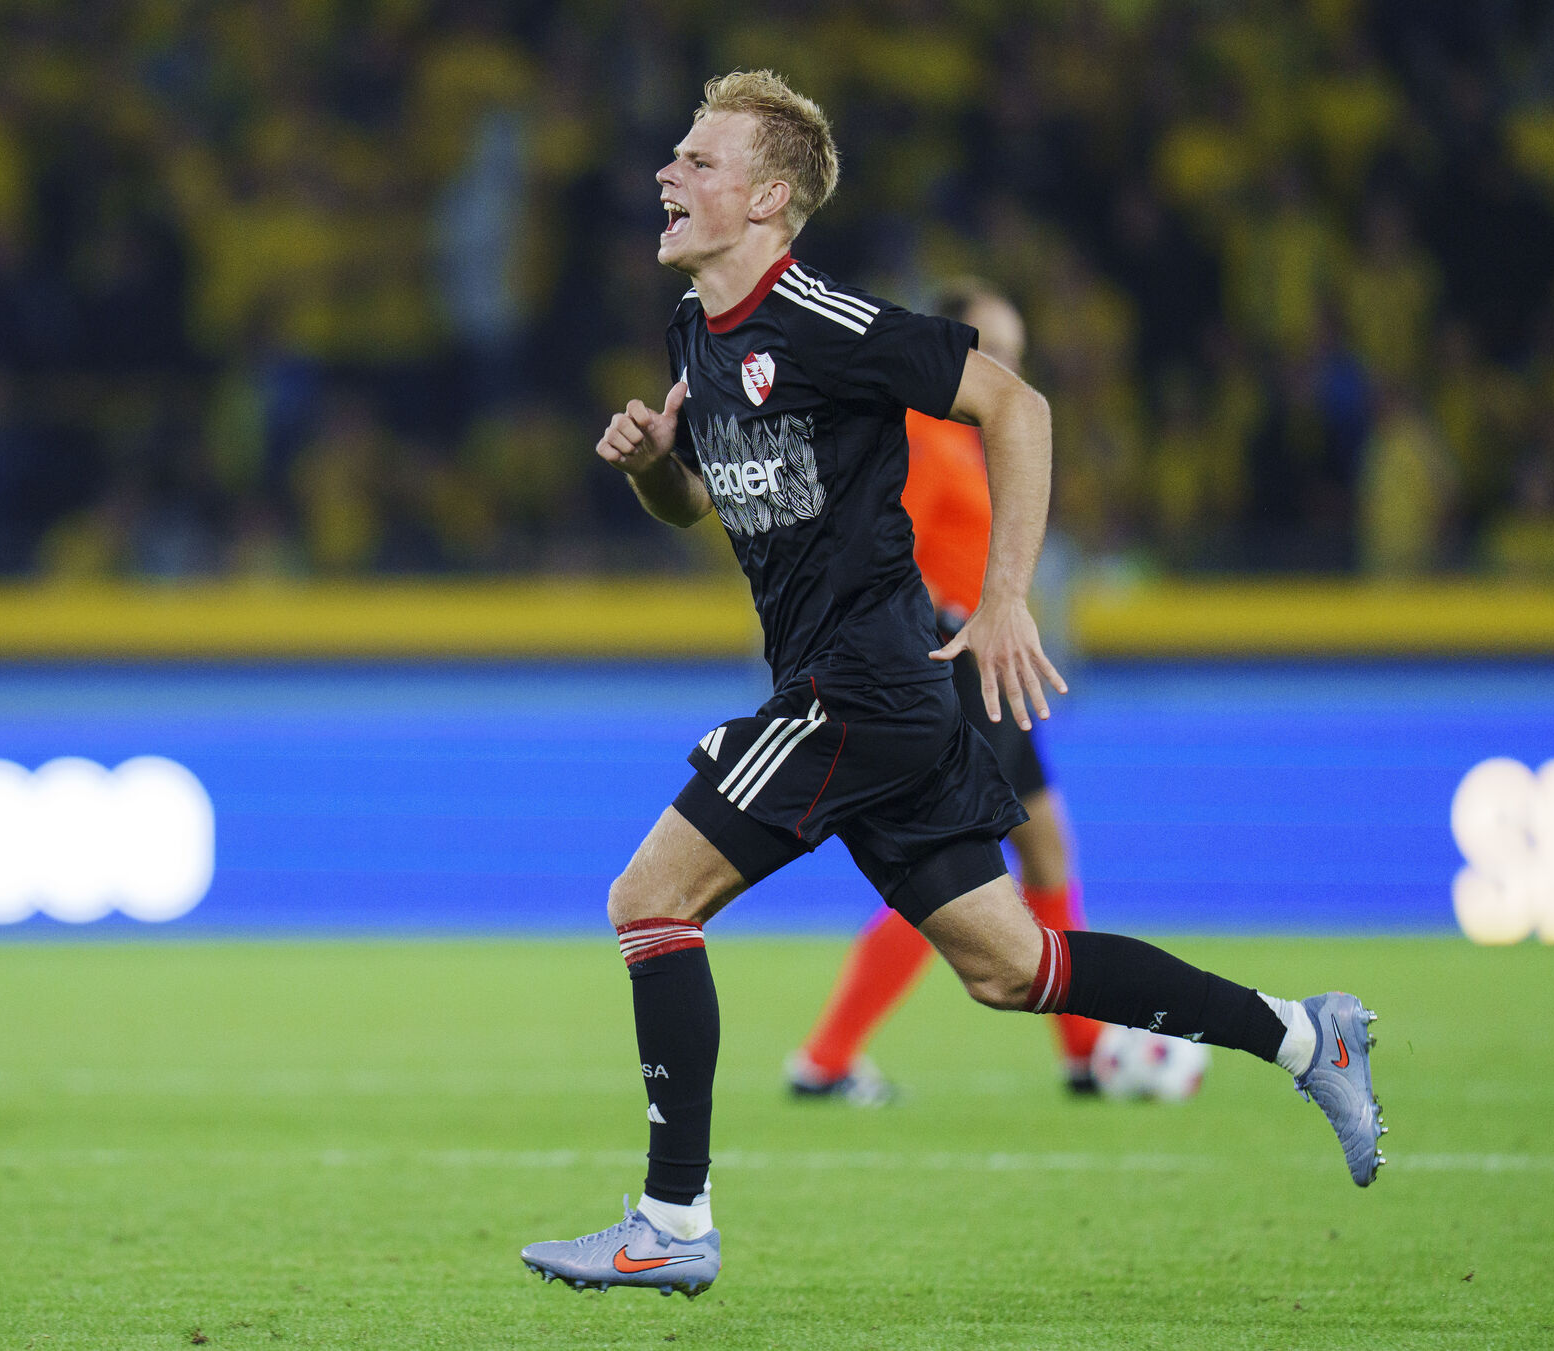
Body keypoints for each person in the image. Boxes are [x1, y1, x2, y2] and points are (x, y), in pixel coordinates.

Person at [521, 71, 1384, 1300]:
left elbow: (1015, 405)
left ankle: (671, 1218)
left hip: (857, 686)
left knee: (648, 899)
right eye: (676, 155)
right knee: (1012, 967)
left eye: (700, 160)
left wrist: (1006, 596)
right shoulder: (693, 338)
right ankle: (1304, 1033)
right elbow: (694, 505)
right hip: (885, 699)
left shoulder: (822, 318)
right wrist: (656, 466)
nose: (668, 172)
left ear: (767, 200)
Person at [784, 280, 1124, 1102]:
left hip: (994, 662)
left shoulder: (974, 444)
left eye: (1016, 354)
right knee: (951, 875)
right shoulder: (925, 440)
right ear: (948, 353)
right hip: (959, 665)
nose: (1005, 369)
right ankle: (826, 1057)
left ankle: (1085, 1053)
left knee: (1046, 847)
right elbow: (876, 547)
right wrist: (929, 615)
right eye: (989, 351)